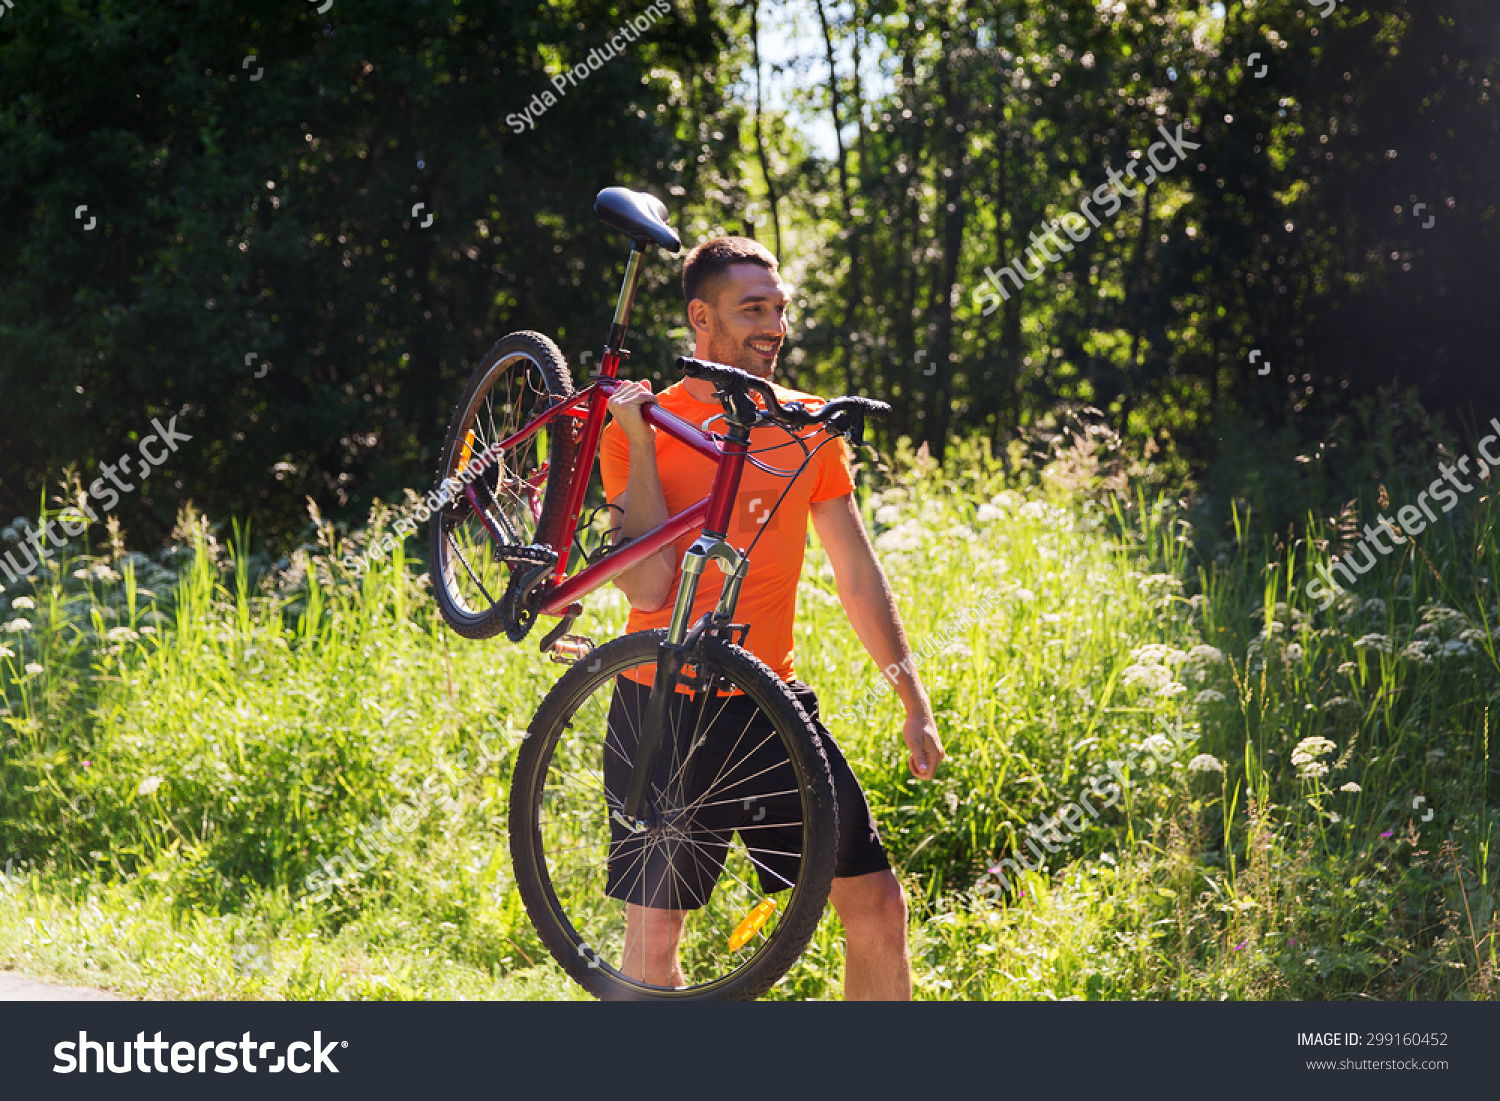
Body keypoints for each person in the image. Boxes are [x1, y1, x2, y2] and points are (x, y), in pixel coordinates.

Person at [597, 235, 944, 1000]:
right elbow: (650, 587)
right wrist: (640, 451)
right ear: (701, 316)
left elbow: (856, 572)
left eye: (780, 309)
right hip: (664, 704)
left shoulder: (807, 425)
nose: (774, 326)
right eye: (753, 308)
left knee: (879, 908)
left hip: (769, 707)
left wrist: (911, 696)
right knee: (652, 946)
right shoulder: (644, 422)